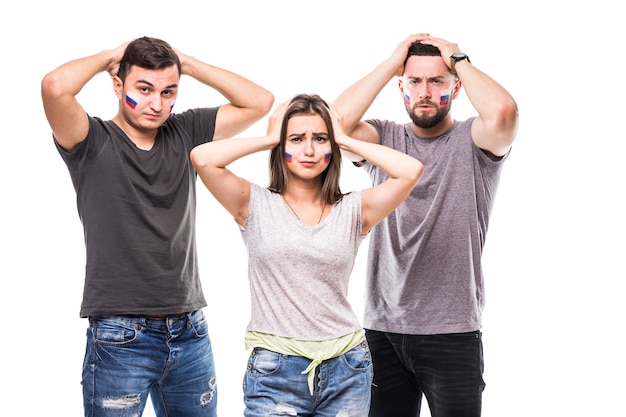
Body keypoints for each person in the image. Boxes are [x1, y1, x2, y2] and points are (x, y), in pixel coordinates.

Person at [40, 36, 274, 417]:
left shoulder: (185, 131)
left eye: (169, 92)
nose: (156, 104)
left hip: (190, 329)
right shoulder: (90, 139)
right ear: (118, 85)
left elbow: (259, 101)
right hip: (120, 335)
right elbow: (55, 86)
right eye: (143, 89)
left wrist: (189, 63)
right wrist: (110, 57)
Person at [189, 94, 423, 416]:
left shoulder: (355, 209)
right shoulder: (253, 204)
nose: (309, 150)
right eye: (296, 139)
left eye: (320, 138)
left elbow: (410, 171)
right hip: (275, 370)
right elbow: (202, 158)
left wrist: (343, 137)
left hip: (348, 365)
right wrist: (270, 137)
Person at [332, 34, 519, 417]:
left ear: (456, 85)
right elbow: (334, 127)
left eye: (437, 81)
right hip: (382, 331)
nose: (425, 92)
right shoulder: (385, 139)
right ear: (401, 87)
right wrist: (390, 63)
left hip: (451, 334)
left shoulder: (473, 141)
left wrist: (457, 57)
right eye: (414, 81)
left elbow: (503, 113)